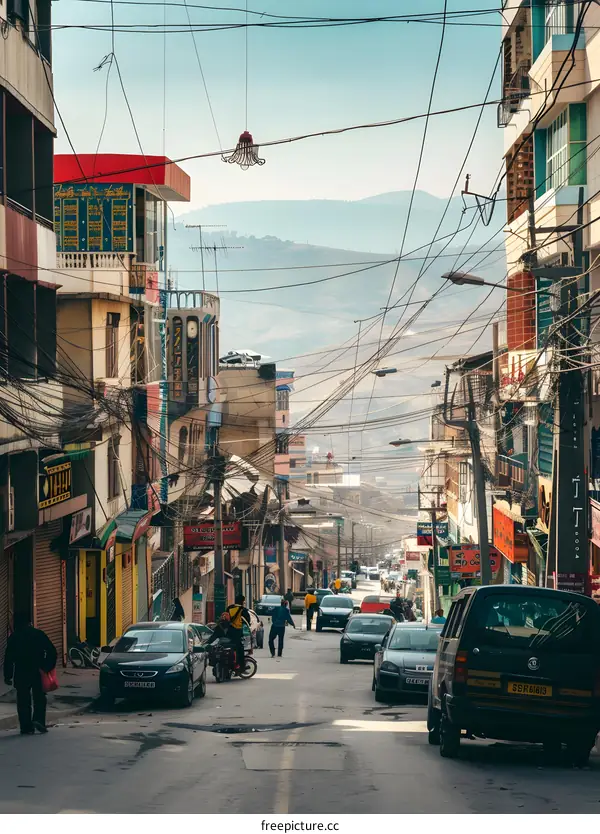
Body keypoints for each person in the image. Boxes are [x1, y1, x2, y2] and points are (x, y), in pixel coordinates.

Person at [3, 612, 57, 735]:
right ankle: (39, 720)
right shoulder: (38, 634)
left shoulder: (14, 637)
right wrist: (46, 667)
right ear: (29, 622)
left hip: (21, 671)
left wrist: (8, 676)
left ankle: (26, 726)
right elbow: (52, 651)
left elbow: (8, 658)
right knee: (39, 697)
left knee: (23, 700)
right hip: (37, 670)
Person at [226, 595, 251, 669]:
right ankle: (241, 666)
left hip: (229, 631)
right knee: (240, 648)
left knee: (230, 647)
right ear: (242, 602)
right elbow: (247, 621)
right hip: (238, 631)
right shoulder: (243, 610)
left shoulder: (229, 608)